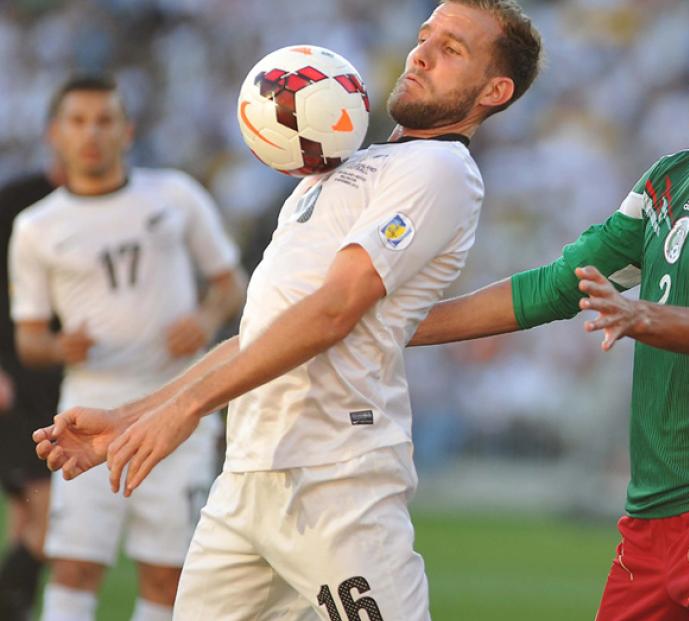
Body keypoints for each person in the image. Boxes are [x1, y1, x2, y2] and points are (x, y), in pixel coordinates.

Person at [34, 1, 542, 618]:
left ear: (495, 89)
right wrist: (133, 416)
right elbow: (261, 334)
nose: (421, 54)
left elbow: (333, 312)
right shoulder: (337, 169)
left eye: (452, 49)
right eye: (424, 36)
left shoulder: (440, 169)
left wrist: (188, 411)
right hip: (248, 477)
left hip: (334, 483)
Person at [406, 1, 689, 620]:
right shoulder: (668, 180)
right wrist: (394, 327)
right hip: (652, 514)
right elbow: (558, 285)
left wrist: (642, 318)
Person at [10, 74, 246, 621]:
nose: (91, 133)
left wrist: (205, 316)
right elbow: (29, 340)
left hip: (178, 410)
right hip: (88, 411)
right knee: (74, 564)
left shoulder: (175, 195)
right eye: (78, 121)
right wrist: (58, 343)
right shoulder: (36, 227)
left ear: (128, 130)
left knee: (167, 572)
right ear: (55, 134)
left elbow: (231, 282)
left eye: (105, 120)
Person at [0, 162, 64, 621]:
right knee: (47, 521)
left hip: (57, 379)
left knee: (25, 519)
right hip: (17, 384)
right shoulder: (18, 201)